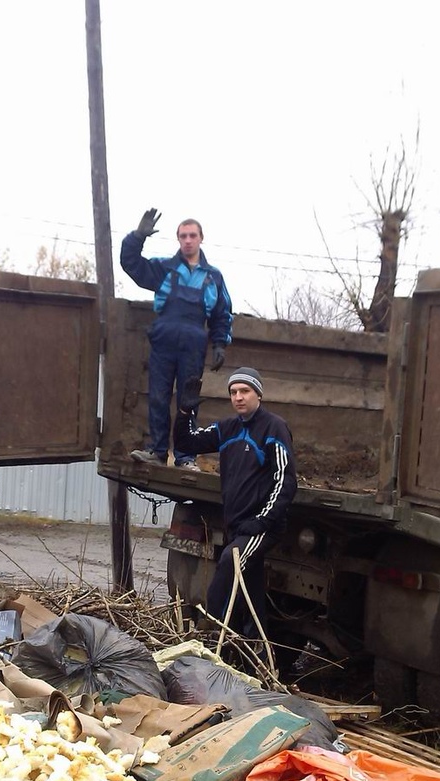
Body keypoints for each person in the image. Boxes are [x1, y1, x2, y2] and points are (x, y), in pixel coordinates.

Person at [174, 367, 297, 668]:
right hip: (237, 525)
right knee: (251, 591)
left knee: (231, 561)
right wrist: (184, 410)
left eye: (245, 391)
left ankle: (209, 634)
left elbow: (285, 480)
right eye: (233, 392)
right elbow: (187, 443)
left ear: (258, 394)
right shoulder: (227, 428)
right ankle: (261, 658)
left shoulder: (274, 428)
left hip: (261, 526)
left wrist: (263, 520)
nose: (238, 397)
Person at [120, 208, 233, 470]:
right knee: (158, 396)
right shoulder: (163, 268)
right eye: (183, 236)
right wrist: (137, 237)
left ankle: (185, 457)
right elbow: (131, 264)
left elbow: (222, 312)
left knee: (188, 401)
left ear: (201, 238)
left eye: (192, 235)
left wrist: (219, 343)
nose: (188, 240)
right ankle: (158, 452)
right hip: (164, 341)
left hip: (193, 345)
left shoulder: (213, 277)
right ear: (178, 239)